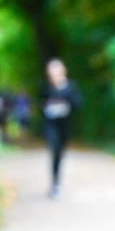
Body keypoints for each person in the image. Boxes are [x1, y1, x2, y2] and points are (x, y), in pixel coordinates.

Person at [39, 58, 82, 199]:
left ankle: (56, 182)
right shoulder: (46, 87)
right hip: (51, 125)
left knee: (60, 153)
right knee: (55, 150)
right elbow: (40, 104)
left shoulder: (71, 86)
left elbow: (78, 104)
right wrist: (49, 108)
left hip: (65, 126)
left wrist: (65, 105)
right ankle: (55, 184)